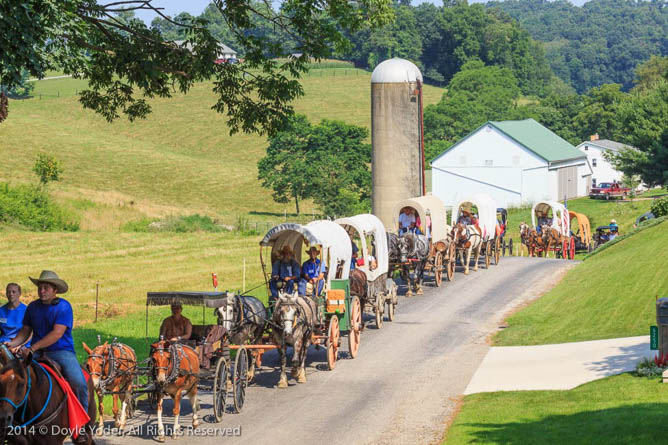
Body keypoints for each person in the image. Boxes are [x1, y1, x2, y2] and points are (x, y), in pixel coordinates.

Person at [6, 271, 89, 419]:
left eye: (46, 288)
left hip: (61, 352)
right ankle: (12, 418)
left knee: (79, 383)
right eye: (40, 288)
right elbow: (25, 331)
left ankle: (83, 421)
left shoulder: (64, 307)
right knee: (13, 377)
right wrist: (11, 343)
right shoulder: (32, 307)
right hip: (37, 352)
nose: (42, 291)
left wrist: (32, 348)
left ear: (55, 290)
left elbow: (56, 334)